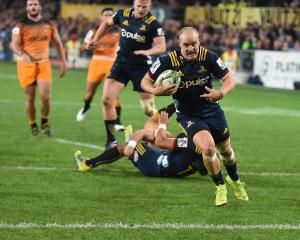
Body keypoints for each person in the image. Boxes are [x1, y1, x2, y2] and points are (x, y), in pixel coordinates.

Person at [141, 27, 248, 206]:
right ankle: (220, 185)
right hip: (188, 115)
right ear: (179, 43)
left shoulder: (209, 57)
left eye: (194, 44)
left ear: (200, 42)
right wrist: (154, 90)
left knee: (226, 151)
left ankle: (235, 180)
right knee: (207, 148)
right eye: (187, 45)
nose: (191, 48)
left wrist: (221, 93)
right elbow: (145, 80)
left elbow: (230, 80)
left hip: (212, 110)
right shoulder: (167, 61)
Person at [88, 0, 166, 149]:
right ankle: (111, 140)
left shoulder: (153, 23)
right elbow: (106, 23)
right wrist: (96, 39)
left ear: (149, 6)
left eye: (145, 7)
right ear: (134, 4)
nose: (141, 9)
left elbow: (162, 46)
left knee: (148, 110)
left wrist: (147, 52)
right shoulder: (122, 14)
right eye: (139, 6)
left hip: (142, 67)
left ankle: (160, 134)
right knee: (106, 100)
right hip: (121, 64)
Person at [74, 111, 208, 178]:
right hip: (167, 162)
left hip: (155, 165)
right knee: (166, 138)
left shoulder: (188, 142)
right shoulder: (204, 147)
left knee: (125, 146)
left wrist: (162, 124)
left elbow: (158, 140)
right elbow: (204, 171)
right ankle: (134, 142)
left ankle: (87, 163)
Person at [11, 0, 67, 136]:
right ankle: (33, 124)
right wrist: (21, 53)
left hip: (44, 63)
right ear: (27, 8)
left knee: (45, 96)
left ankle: (44, 122)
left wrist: (63, 62)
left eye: (35, 4)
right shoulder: (20, 25)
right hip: (26, 65)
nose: (33, 6)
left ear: (39, 7)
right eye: (30, 5)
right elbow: (15, 44)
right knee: (30, 98)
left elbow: (58, 43)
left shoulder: (49, 24)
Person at [76, 8, 124, 131]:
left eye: (110, 15)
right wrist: (90, 46)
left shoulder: (120, 32)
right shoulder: (93, 31)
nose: (108, 17)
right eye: (105, 15)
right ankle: (86, 106)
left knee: (115, 95)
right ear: (101, 17)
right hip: (96, 63)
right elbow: (84, 46)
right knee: (89, 93)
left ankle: (118, 122)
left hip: (112, 64)